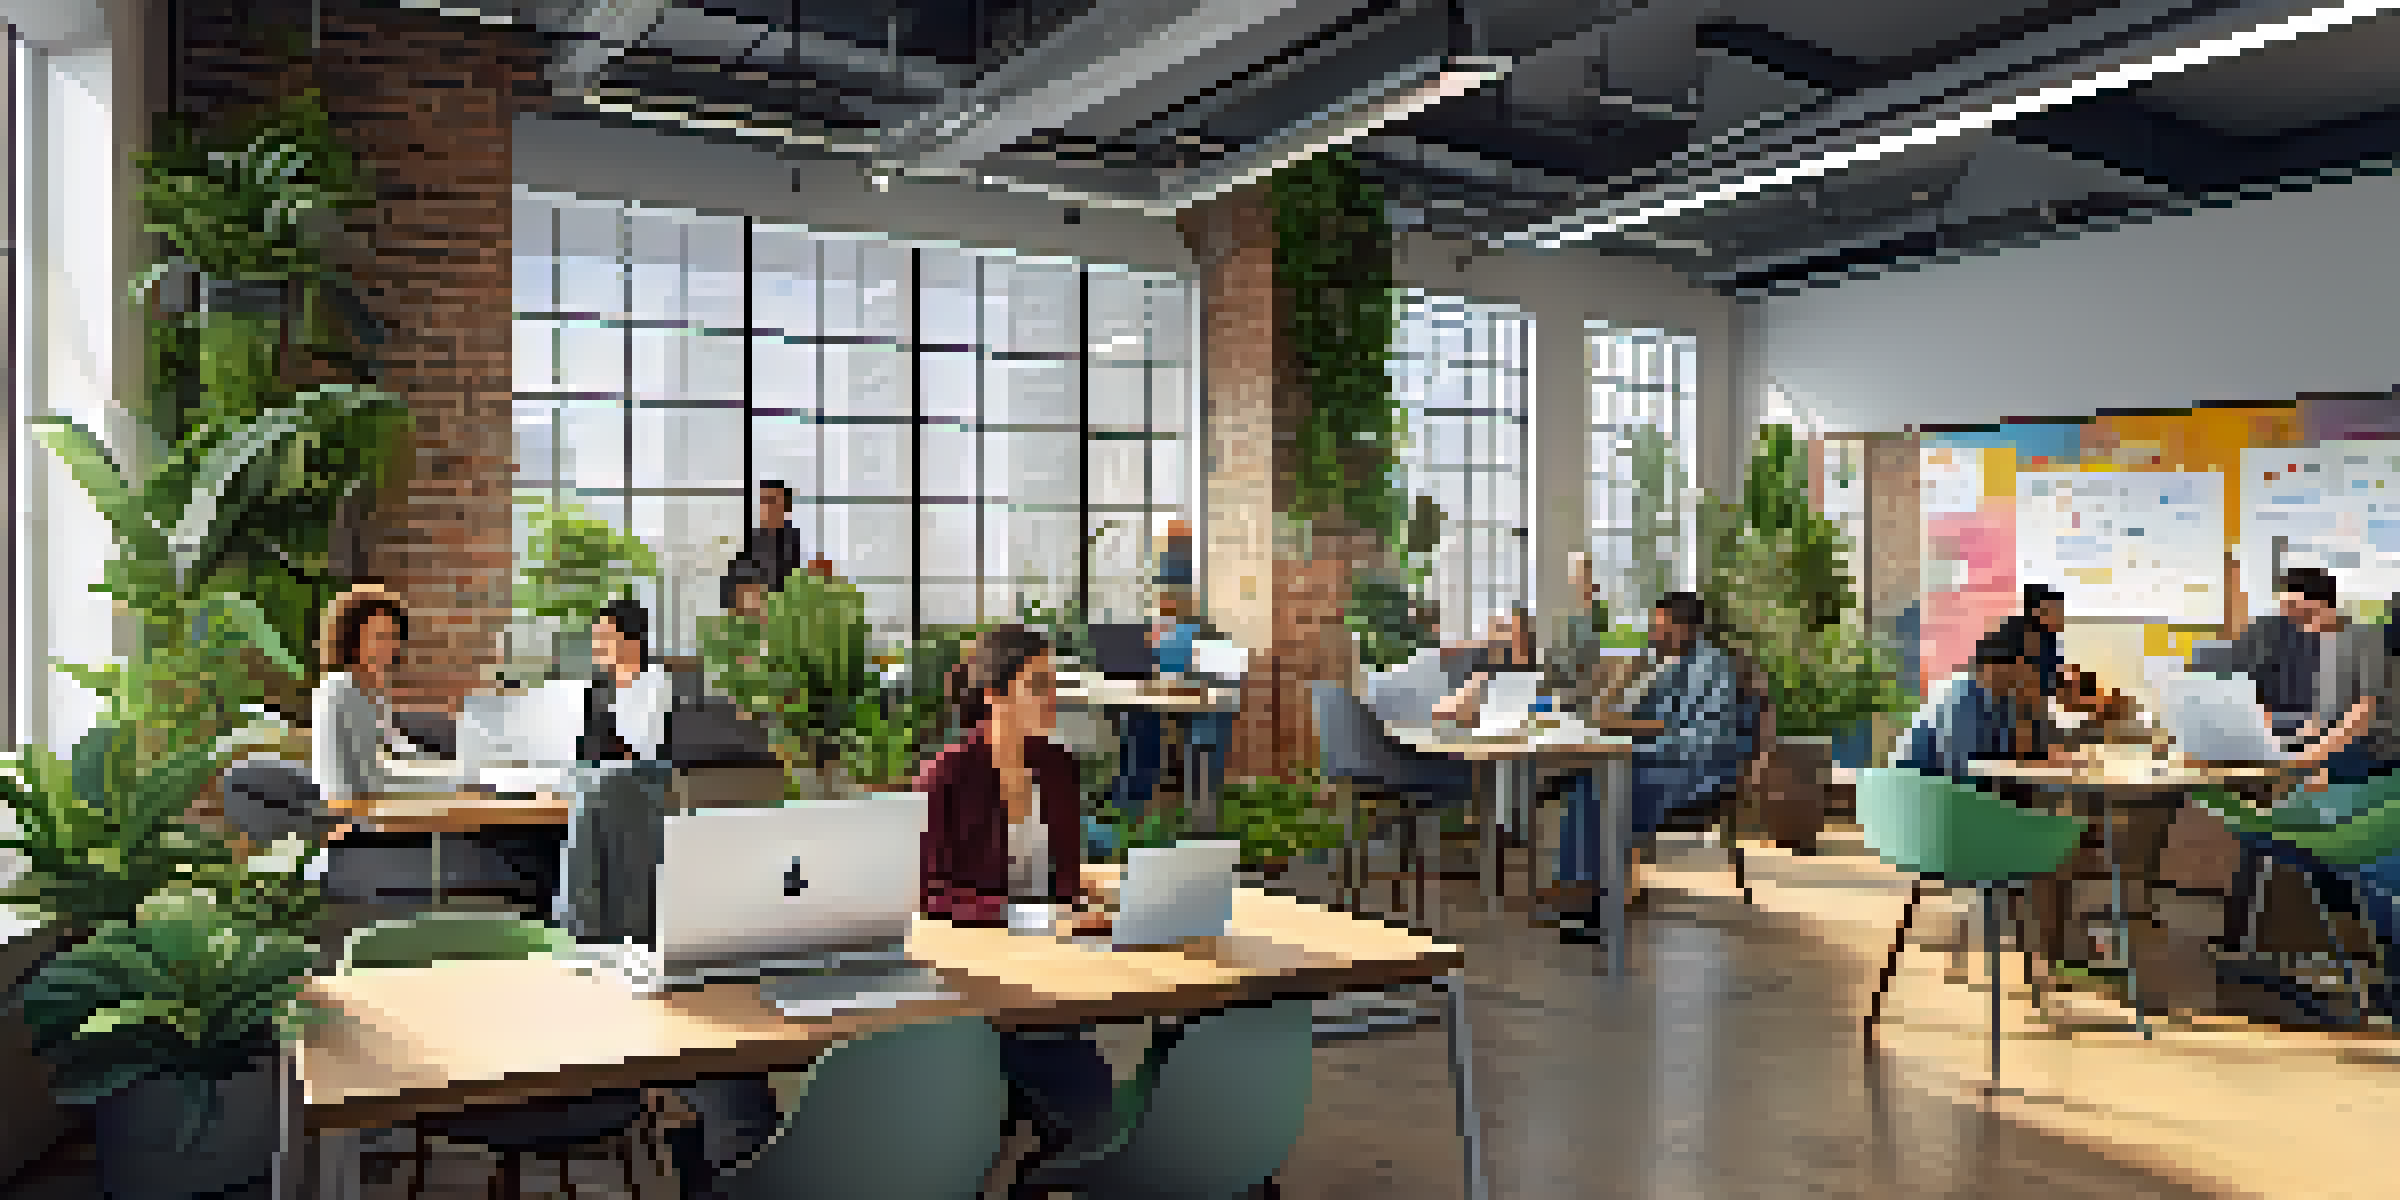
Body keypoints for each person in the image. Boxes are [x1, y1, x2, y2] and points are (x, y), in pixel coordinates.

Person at [913, 627, 1119, 1166]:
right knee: (1088, 1103)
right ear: (995, 694)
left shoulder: (1057, 766)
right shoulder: (947, 776)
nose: (1054, 697)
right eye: (1039, 684)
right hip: (980, 970)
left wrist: (1091, 904)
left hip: (1054, 961)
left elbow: (1066, 874)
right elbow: (931, 894)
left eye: (1055, 682)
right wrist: (1035, 918)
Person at [1896, 618, 2066, 783]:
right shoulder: (1962, 700)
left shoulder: (2004, 701)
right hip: (1918, 787)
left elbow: (2026, 750)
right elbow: (1958, 772)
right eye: (2030, 668)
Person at [719, 479, 807, 607]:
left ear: (785, 506)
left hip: (775, 605)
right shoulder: (753, 537)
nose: (766, 506)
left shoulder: (792, 539)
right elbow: (734, 577)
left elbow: (787, 579)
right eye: (763, 501)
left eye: (772, 501)